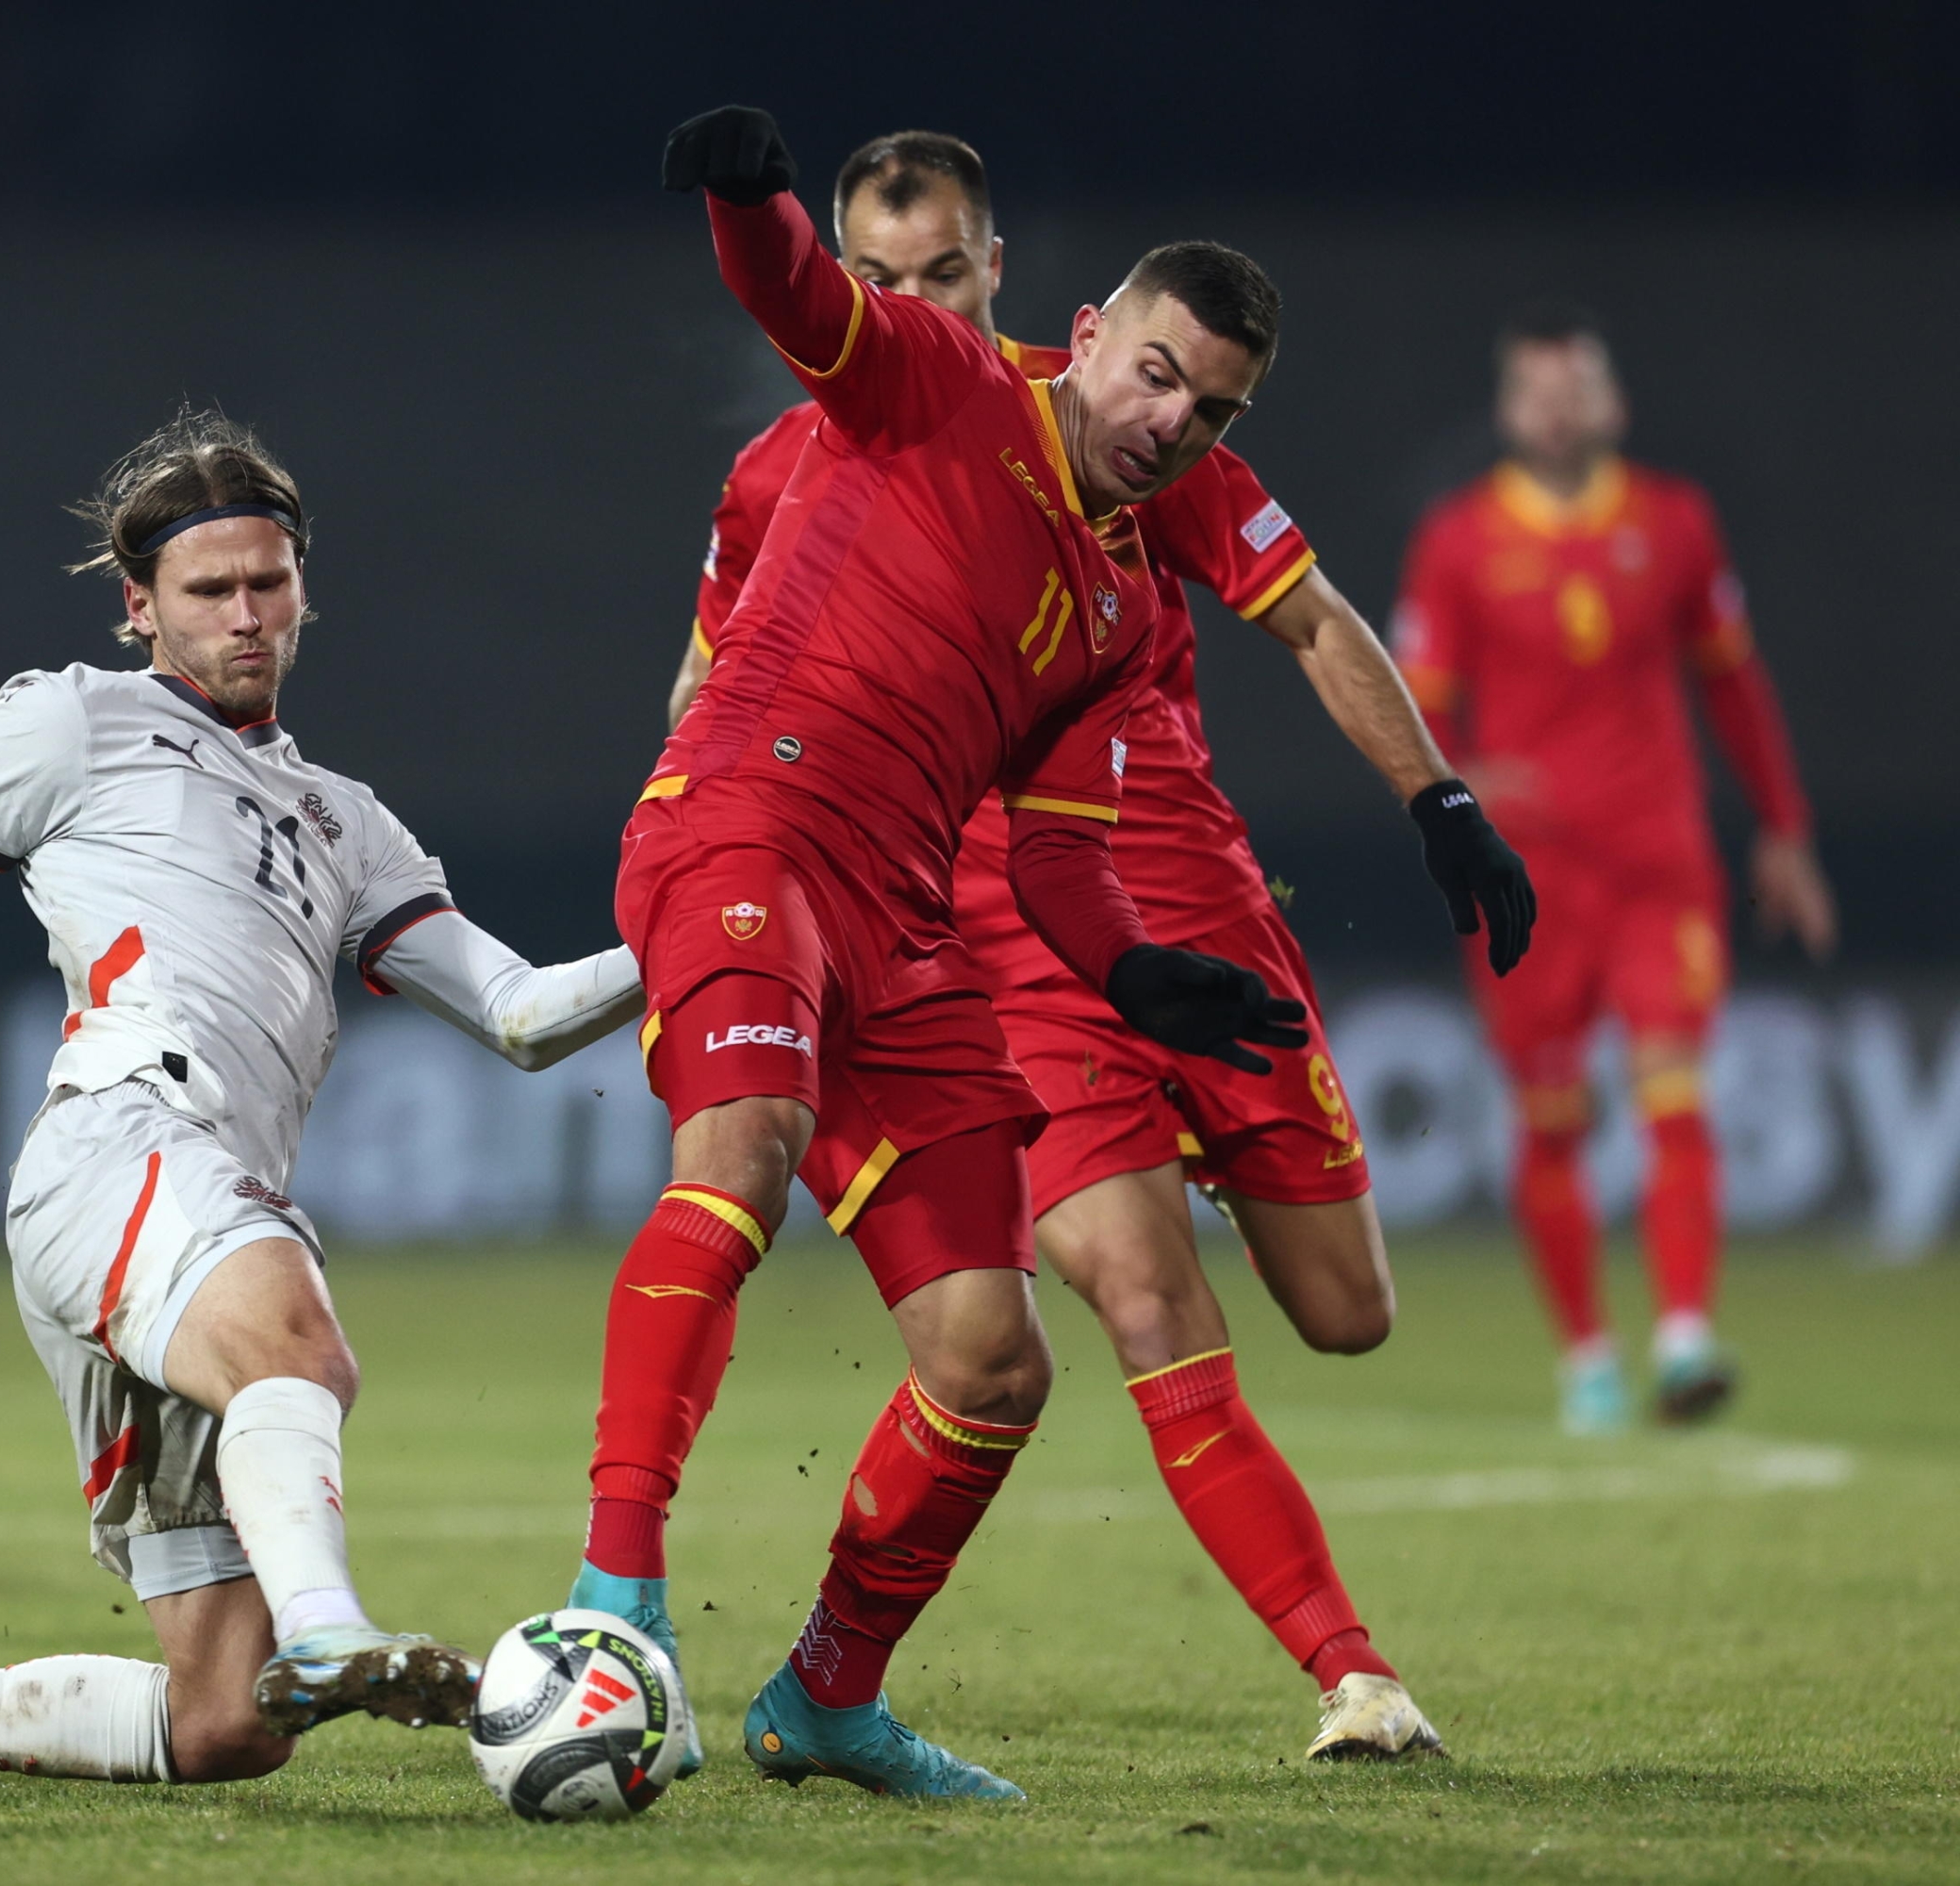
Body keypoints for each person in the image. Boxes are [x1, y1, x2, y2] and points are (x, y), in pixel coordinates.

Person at [0, 412, 647, 1802]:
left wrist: (714, 931)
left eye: (269, 583)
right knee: (299, 1347)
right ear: (140, 605)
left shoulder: (349, 819)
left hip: (183, 1203)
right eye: (210, 592)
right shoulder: (70, 719)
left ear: (303, 588)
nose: (246, 614)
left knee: (222, 1725)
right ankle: (332, 1632)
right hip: (123, 1144)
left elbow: (520, 1017)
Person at [667, 129, 1532, 1762]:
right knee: (1130, 1302)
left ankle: (1187, 1162)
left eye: (940, 274)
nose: (911, 301)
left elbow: (1312, 617)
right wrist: (721, 882)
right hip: (998, 934)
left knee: (1345, 1313)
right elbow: (712, 694)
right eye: (879, 280)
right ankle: (1353, 1677)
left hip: (1187, 901)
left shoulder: (1134, 432)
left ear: (1002, 278)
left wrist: (1435, 801)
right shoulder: (794, 465)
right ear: (847, 286)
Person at [571, 106, 1334, 1801]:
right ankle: (613, 1605)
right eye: (1153, 375)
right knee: (739, 1161)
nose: (1169, 422)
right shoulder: (933, 379)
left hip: (904, 922)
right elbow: (795, 303)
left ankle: (824, 1695)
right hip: (744, 832)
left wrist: (1137, 974)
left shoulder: (1127, 614)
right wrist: (747, 193)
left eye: (1209, 410)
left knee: (993, 1361)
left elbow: (1059, 853)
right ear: (1086, 333)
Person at [1395, 304, 1831, 1433]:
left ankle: (1684, 1336)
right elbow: (1411, 709)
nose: (1555, 405)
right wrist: (1461, 783)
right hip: (1525, 881)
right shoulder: (1456, 542)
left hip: (1656, 864)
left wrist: (1781, 827)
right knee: (1550, 1120)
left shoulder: (1675, 523)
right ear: (1505, 408)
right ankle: (1586, 1356)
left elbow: (1732, 684)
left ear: (1610, 402)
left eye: (1574, 386)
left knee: (1672, 1085)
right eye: (1535, 388)